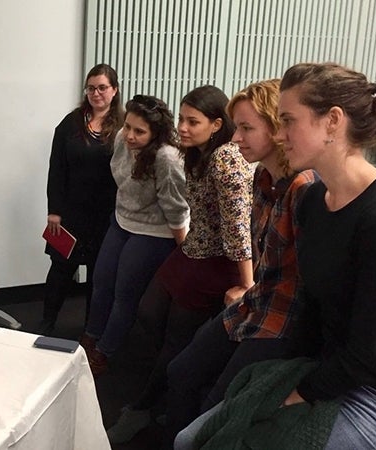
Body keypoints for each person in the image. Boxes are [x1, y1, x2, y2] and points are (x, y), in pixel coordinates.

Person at [176, 62, 376, 449]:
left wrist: (296, 394)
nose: (280, 134)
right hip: (330, 369)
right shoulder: (315, 202)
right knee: (190, 439)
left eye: (288, 121)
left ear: (333, 121)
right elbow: (315, 311)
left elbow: (367, 358)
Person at [157, 79, 318, 446]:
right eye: (236, 128)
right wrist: (248, 290)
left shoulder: (305, 189)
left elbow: (313, 283)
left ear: (277, 129)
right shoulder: (262, 176)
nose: (236, 137)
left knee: (221, 404)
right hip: (259, 301)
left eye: (246, 128)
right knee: (181, 371)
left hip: (283, 320)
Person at [107, 85, 253, 443]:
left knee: (175, 337)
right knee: (149, 312)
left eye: (193, 122)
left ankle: (146, 406)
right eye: (182, 120)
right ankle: (173, 382)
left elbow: (239, 228)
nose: (182, 128)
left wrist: (248, 286)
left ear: (217, 124)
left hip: (221, 261)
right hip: (193, 249)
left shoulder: (225, 159)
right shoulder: (196, 153)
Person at [81, 94, 190, 375]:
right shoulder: (121, 138)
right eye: (128, 126)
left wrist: (184, 253)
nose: (129, 135)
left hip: (154, 231)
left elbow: (176, 209)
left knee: (124, 294)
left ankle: (104, 352)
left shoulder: (166, 158)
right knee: (101, 281)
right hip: (122, 220)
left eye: (139, 131)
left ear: (155, 133)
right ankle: (90, 337)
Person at [40, 63, 124, 336]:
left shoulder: (124, 127)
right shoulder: (71, 123)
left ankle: (91, 332)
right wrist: (54, 210)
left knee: (98, 277)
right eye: (91, 88)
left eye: (102, 87)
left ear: (114, 90)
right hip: (70, 214)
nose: (96, 93)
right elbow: (57, 169)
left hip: (107, 216)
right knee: (60, 271)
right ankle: (45, 324)